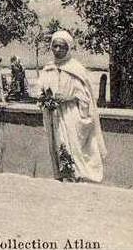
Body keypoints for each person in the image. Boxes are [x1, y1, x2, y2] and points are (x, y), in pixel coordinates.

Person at [38, 29, 107, 182]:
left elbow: (85, 97)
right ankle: (62, 175)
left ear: (68, 48)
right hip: (54, 116)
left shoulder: (76, 69)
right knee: (57, 145)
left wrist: (68, 98)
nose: (57, 50)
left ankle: (75, 177)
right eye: (54, 46)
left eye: (61, 47)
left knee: (73, 147)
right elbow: (41, 89)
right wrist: (46, 98)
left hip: (71, 115)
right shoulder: (48, 68)